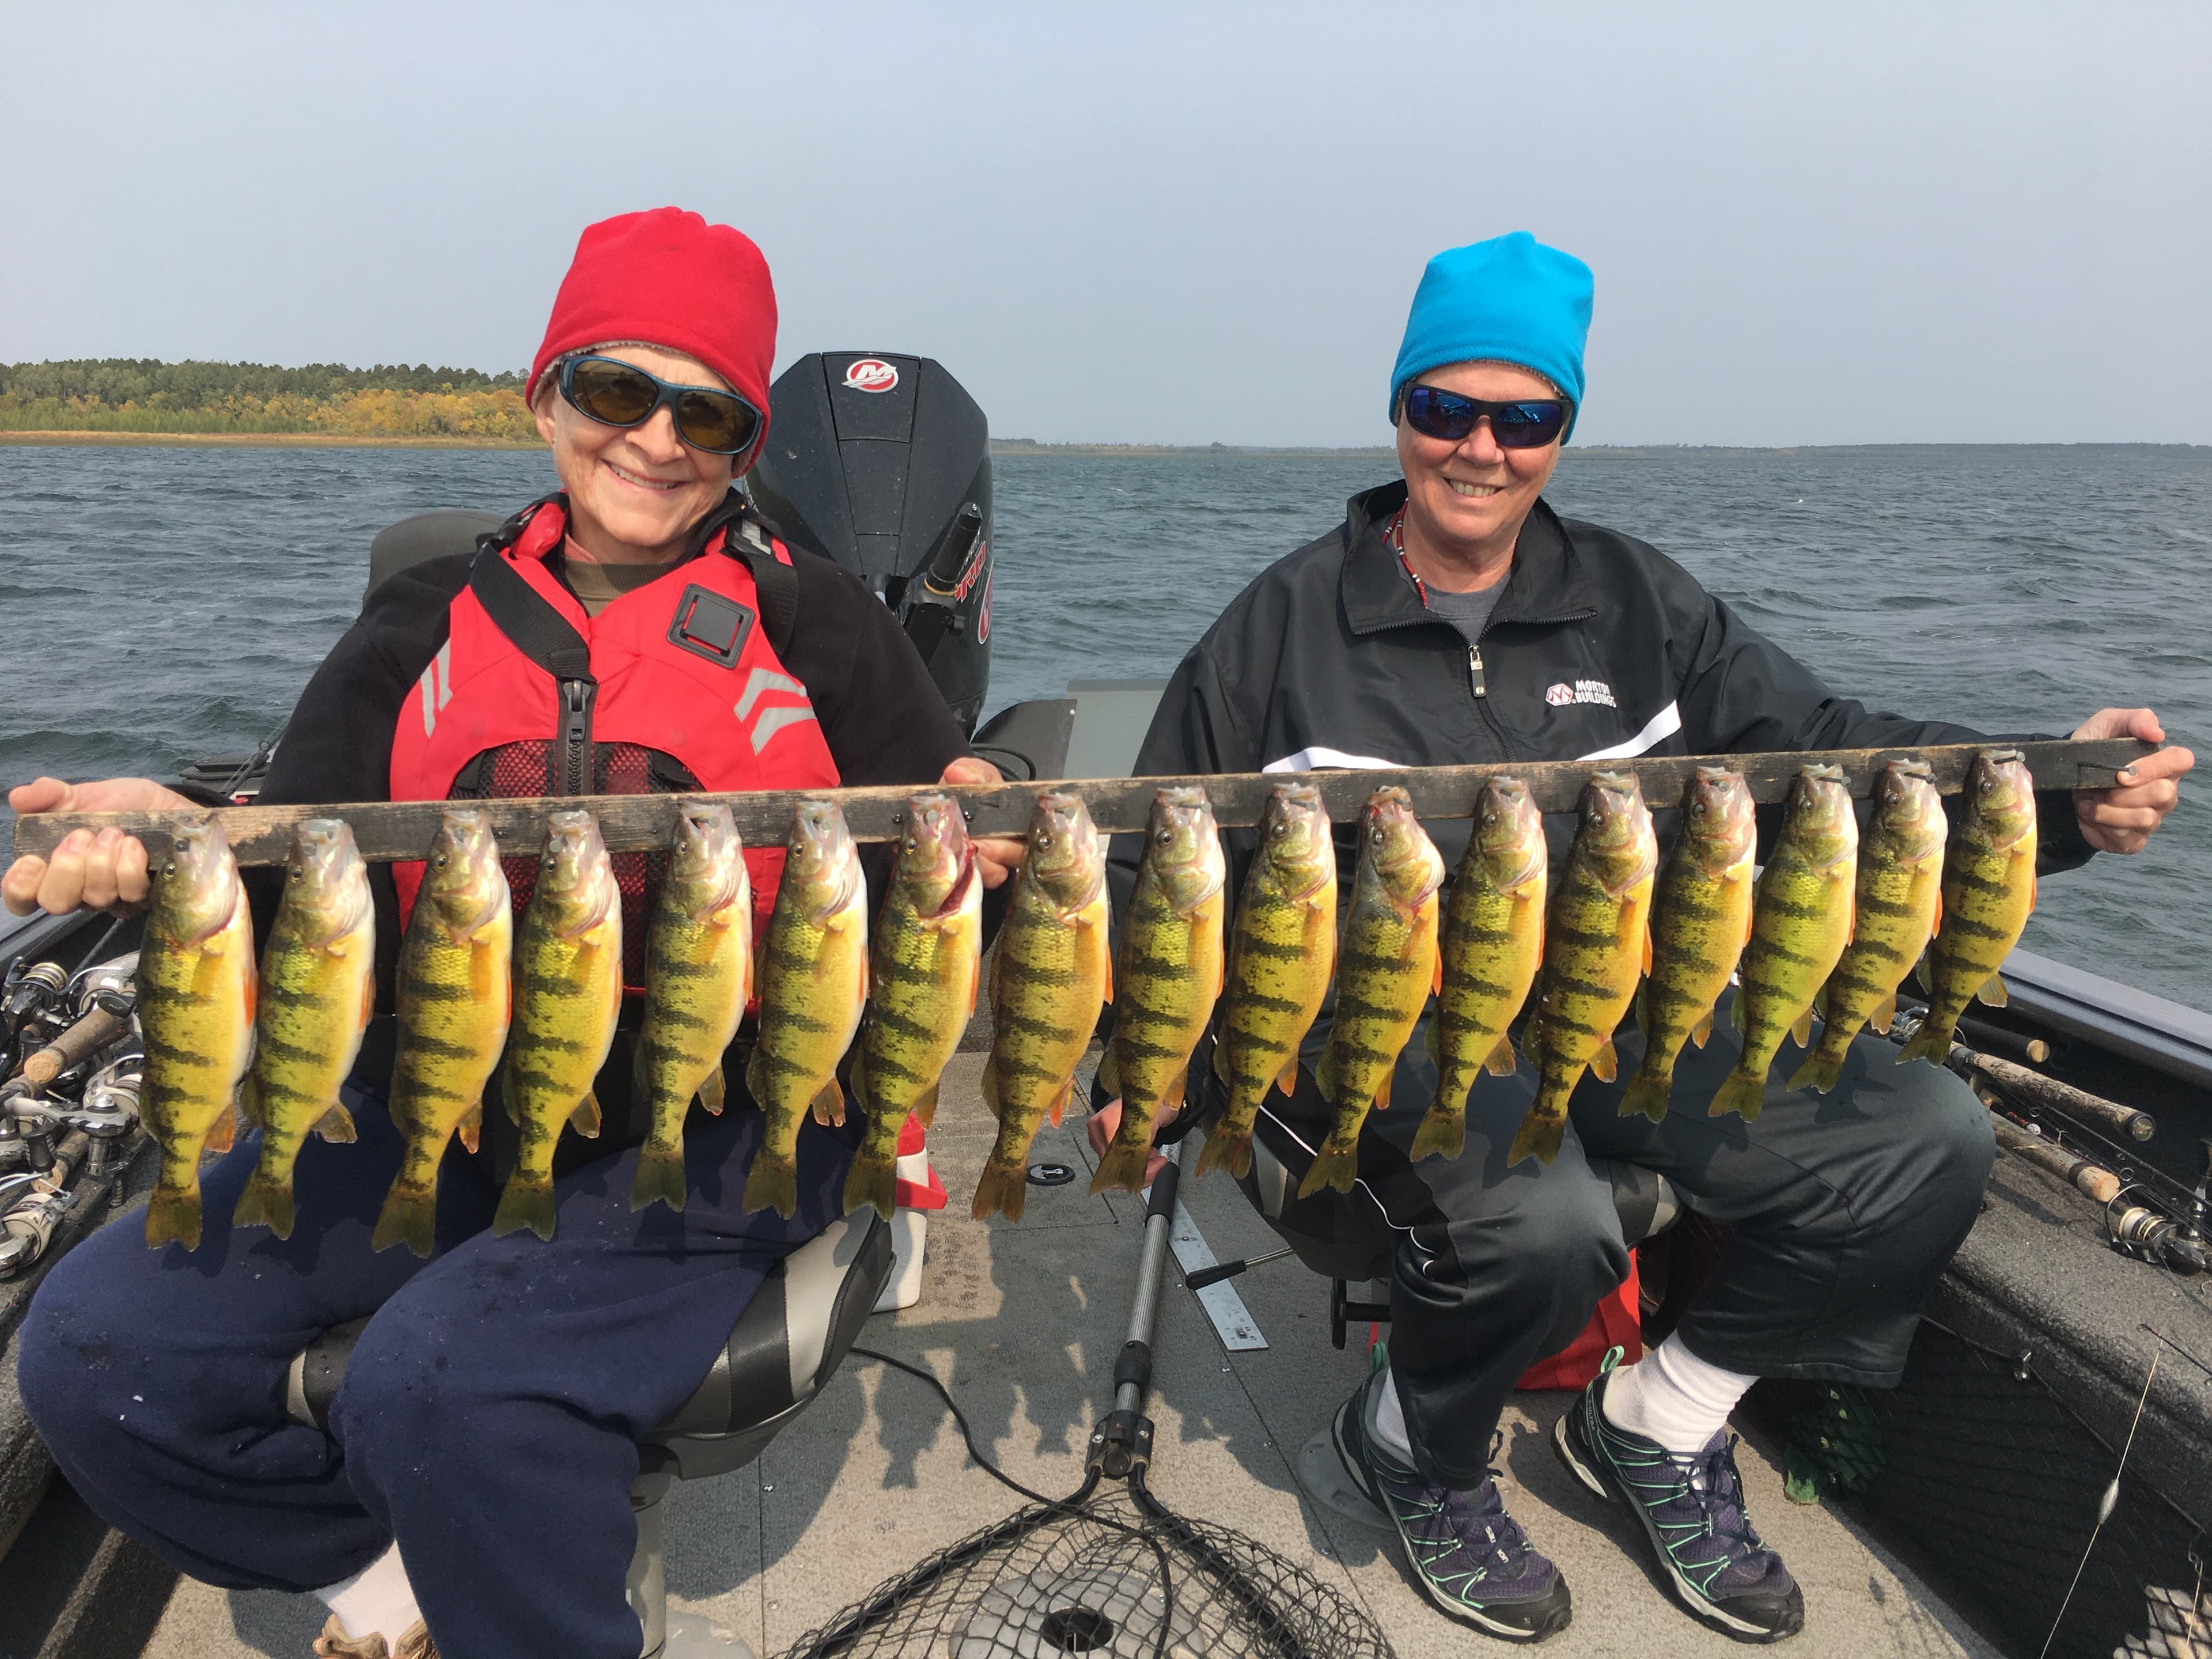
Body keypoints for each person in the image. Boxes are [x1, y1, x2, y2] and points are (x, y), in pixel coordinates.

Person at [1090, 232, 2191, 1645]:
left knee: (1928, 1137)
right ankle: (1412, 1448)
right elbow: (1139, 865)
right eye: (1448, 409)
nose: (1480, 450)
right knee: (1546, 1223)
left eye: (1524, 417)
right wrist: (1141, 1055)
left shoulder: (1638, 599)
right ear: (1401, 411)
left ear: (1563, 430)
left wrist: (2052, 778)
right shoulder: (1280, 627)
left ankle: (1661, 1417)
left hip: (1638, 1003)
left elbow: (1841, 753)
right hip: (1387, 1029)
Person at [4, 207, 1022, 1659]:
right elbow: (290, 857)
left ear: (748, 447)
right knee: (97, 1356)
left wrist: (997, 801)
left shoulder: (820, 626)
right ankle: (416, 1559)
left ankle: (515, 1592)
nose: (658, 441)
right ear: (543, 392)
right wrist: (165, 839)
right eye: (618, 391)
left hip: (721, 1119)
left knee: (442, 1380)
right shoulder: (418, 621)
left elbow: (966, 800)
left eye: (710, 413)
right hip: (440, 1098)